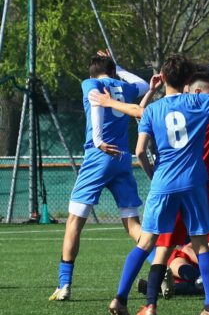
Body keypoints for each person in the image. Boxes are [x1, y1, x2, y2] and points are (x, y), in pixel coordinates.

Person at [107, 53, 209, 315]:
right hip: (193, 182)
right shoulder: (197, 101)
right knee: (202, 245)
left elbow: (139, 151)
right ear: (188, 80)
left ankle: (121, 298)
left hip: (163, 183)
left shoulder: (152, 110)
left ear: (164, 78)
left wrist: (153, 175)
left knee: (147, 243)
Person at [49, 55, 150, 301]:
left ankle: (64, 284)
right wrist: (120, 67)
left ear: (92, 72)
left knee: (74, 221)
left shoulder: (90, 84)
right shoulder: (124, 87)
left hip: (99, 155)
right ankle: (163, 265)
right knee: (132, 222)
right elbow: (145, 85)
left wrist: (98, 141)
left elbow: (95, 106)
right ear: (113, 71)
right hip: (123, 158)